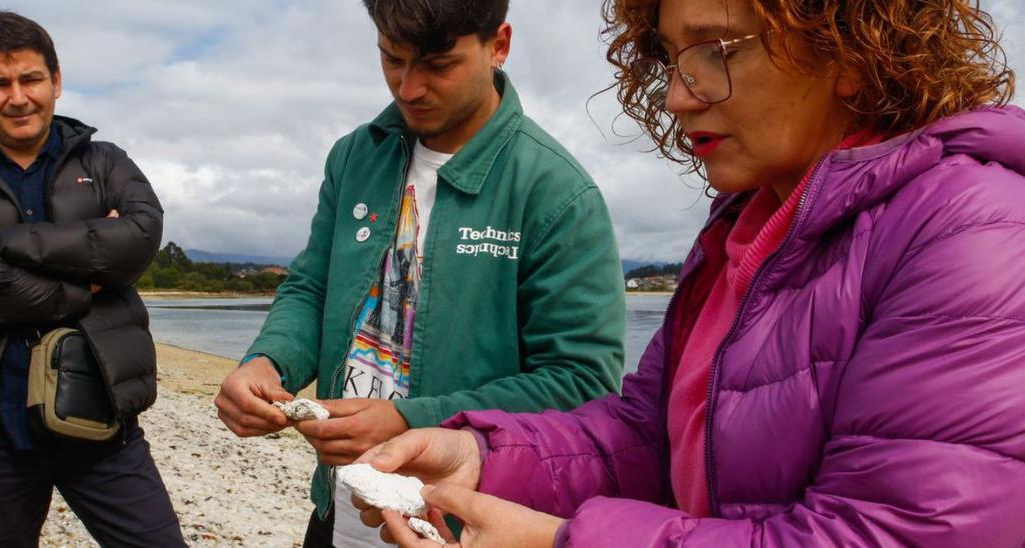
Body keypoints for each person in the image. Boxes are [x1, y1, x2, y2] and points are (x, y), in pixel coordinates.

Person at [352, 0, 1025, 545]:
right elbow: (647, 435)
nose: (676, 95)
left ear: (850, 47)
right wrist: (482, 457)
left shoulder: (971, 230)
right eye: (672, 58)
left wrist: (563, 542)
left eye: (717, 49)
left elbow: (895, 533)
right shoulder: (745, 230)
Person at [213, 0, 626, 545]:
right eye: (392, 59)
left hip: (465, 522)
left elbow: (583, 382)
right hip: (340, 504)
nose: (408, 89)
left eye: (438, 64)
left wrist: (411, 418)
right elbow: (314, 287)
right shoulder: (355, 157)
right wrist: (268, 362)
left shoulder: (556, 191)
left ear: (498, 44)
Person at [0, 10, 185, 546]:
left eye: (30, 78)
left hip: (101, 421)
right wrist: (82, 285)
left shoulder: (104, 163)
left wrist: (7, 244)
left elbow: (139, 238)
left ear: (56, 80)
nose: (17, 97)